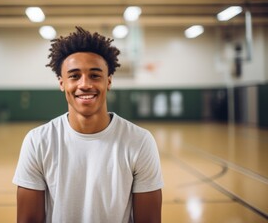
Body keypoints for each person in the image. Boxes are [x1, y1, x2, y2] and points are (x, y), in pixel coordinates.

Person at [13, 26, 164, 223]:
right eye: (74, 76)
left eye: (95, 75)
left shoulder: (140, 141)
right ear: (61, 83)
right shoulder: (37, 141)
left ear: (108, 81)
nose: (85, 84)